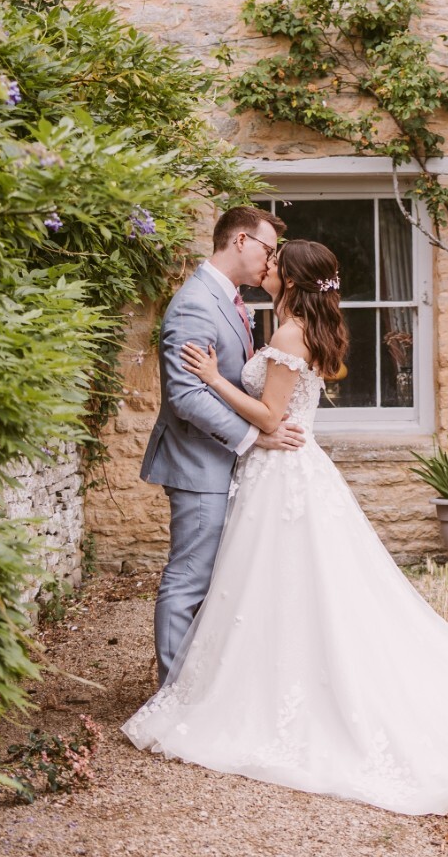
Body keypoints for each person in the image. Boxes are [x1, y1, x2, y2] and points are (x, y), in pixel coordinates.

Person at [123, 239, 448, 816]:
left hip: (283, 468)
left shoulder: (290, 335)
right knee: (284, 582)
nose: (264, 267)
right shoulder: (292, 323)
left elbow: (270, 416)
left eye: (273, 262)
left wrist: (214, 377)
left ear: (289, 278)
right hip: (282, 470)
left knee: (286, 577)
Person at [140, 205, 304, 686]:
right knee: (190, 577)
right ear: (240, 241)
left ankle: (203, 684)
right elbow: (186, 395)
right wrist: (258, 437)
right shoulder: (195, 302)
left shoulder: (229, 298)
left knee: (217, 579)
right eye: (268, 249)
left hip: (223, 461)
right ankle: (172, 693)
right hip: (197, 461)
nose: (271, 261)